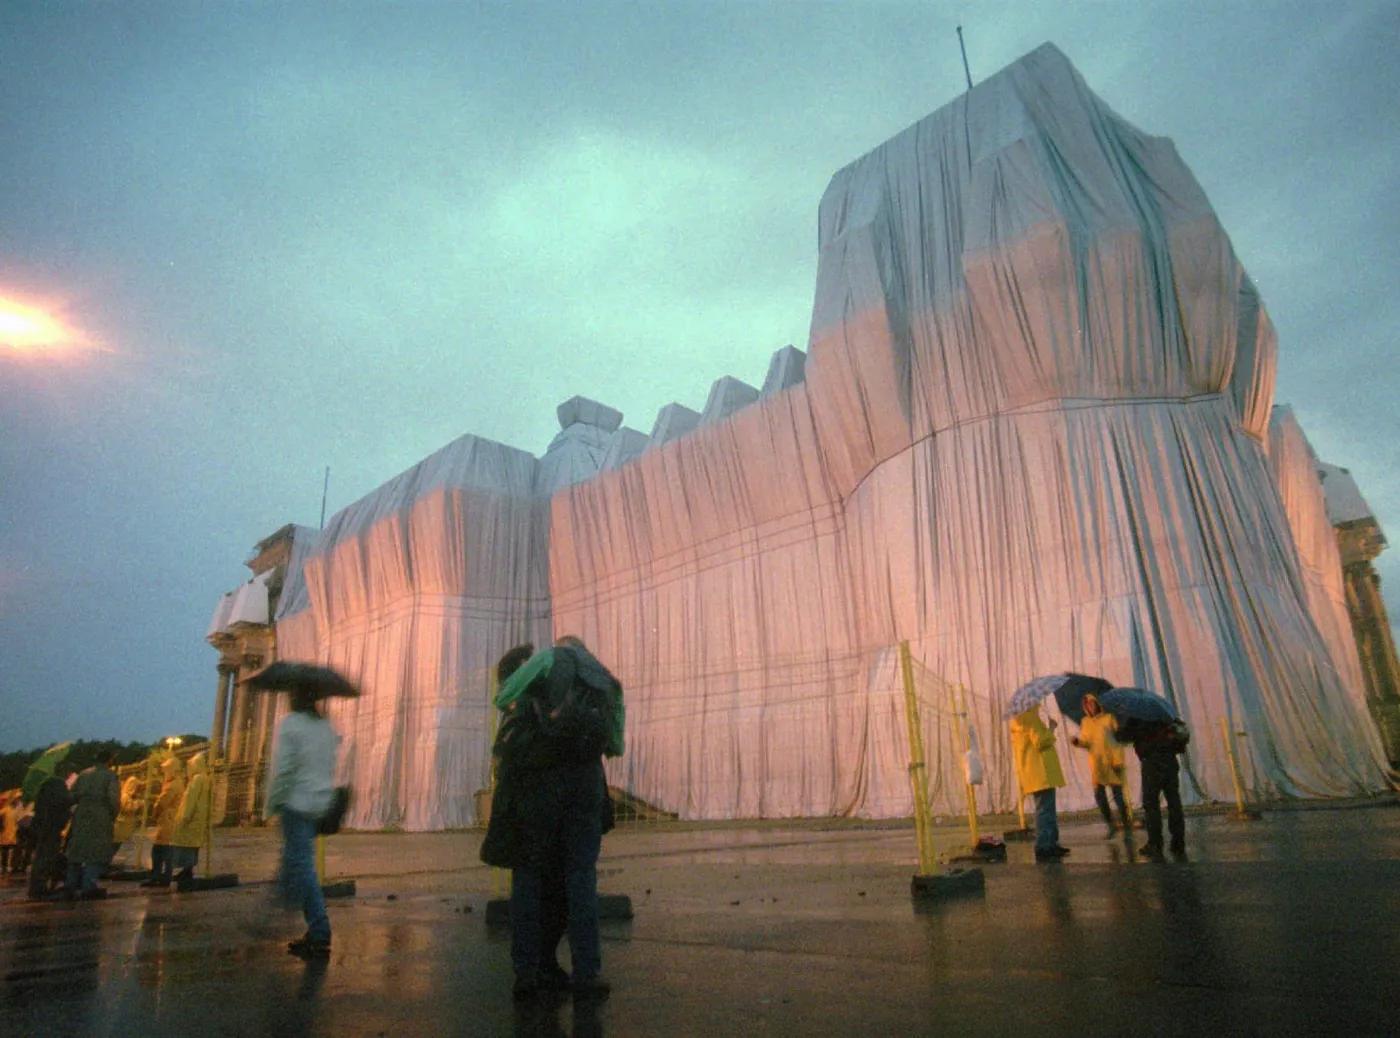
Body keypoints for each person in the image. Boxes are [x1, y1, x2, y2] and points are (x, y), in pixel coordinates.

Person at [488, 636, 620, 1002]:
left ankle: (527, 972)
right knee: (579, 880)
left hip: (539, 795)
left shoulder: (533, 687)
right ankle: (587, 973)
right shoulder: (599, 681)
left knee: (528, 880)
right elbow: (615, 745)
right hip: (585, 787)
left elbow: (505, 714)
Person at [265, 682, 339, 958]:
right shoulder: (325, 727)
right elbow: (329, 763)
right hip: (318, 803)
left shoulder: (292, 724)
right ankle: (277, 912)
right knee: (293, 860)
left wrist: (273, 802)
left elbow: (284, 769)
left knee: (300, 864)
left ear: (297, 698)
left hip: (296, 802)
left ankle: (317, 929)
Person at [1117, 716, 1188, 858]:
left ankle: (1155, 844)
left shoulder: (1138, 718)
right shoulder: (1167, 717)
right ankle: (1178, 843)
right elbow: (1182, 739)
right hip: (1170, 763)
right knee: (1174, 803)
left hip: (1152, 764)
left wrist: (1119, 727)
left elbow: (1122, 737)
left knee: (1151, 805)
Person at [1010, 704, 1069, 861]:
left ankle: (1051, 843)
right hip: (1042, 771)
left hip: (1032, 772)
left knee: (1045, 809)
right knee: (1045, 810)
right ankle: (1044, 846)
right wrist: (1051, 728)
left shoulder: (1018, 720)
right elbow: (1041, 742)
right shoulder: (1030, 718)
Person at [1071, 694, 1131, 838]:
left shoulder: (1109, 718)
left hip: (1111, 762)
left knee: (1118, 796)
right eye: (1087, 705)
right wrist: (1077, 742)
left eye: (1092, 704)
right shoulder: (1085, 722)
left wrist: (1117, 761)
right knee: (1100, 797)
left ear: (1097, 704)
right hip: (1097, 764)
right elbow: (1086, 742)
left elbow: (1117, 741)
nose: (1090, 707)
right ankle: (1111, 825)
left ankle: (1126, 825)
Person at [65, 750, 122, 899]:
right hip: (100, 816)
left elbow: (72, 795)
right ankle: (88, 885)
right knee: (96, 852)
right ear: (109, 761)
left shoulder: (83, 774)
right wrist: (112, 815)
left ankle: (70, 884)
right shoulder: (110, 776)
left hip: (81, 815)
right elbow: (113, 799)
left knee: (77, 850)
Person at [28, 761, 75, 899]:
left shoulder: (47, 785)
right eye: (69, 772)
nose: (70, 775)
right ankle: (39, 888)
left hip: (44, 825)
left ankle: (37, 886)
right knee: (46, 856)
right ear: (64, 771)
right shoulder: (57, 784)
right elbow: (64, 801)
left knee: (42, 855)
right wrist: (76, 797)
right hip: (50, 826)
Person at [142, 755, 186, 888]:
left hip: (167, 820)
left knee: (160, 850)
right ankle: (164, 876)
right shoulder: (176, 783)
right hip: (169, 820)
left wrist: (153, 815)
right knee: (166, 850)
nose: (165, 772)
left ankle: (158, 877)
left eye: (167, 769)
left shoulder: (173, 785)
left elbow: (162, 802)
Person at [170, 752, 211, 888]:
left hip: (190, 818)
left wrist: (184, 817)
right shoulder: (205, 778)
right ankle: (187, 871)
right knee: (192, 846)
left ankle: (186, 871)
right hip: (198, 818)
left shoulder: (197, 779)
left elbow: (190, 800)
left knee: (186, 846)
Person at [0, 792, 18, 876]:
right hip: (8, 834)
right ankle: (5, 866)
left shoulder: (7, 810)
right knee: (6, 851)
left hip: (10, 834)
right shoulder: (8, 810)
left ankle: (7, 866)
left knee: (8, 851)